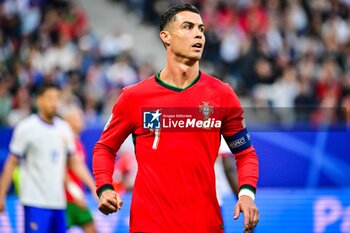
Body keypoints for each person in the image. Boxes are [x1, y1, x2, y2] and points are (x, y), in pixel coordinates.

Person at [93, 3, 259, 233]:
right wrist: (104, 187)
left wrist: (246, 194)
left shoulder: (222, 95)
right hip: (149, 226)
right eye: (188, 27)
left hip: (205, 225)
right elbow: (104, 148)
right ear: (166, 37)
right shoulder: (134, 97)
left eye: (201, 29)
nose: (198, 34)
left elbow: (245, 153)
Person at [0, 83, 96, 233]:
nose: (54, 103)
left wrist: (94, 186)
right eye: (49, 98)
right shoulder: (27, 128)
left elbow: (75, 163)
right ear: (39, 101)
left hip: (58, 203)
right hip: (35, 202)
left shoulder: (64, 129)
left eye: (57, 98)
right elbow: (12, 162)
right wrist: (1, 194)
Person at [61, 105, 96, 233]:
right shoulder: (65, 142)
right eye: (77, 117)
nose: (81, 120)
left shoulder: (78, 143)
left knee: (91, 227)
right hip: (65, 199)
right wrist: (74, 191)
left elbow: (78, 168)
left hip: (75, 198)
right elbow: (61, 170)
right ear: (67, 121)